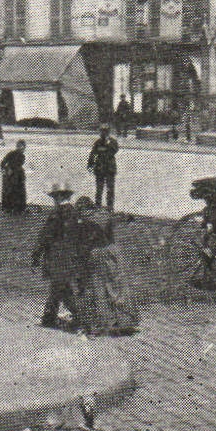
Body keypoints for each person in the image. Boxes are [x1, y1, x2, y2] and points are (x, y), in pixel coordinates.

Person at [72, 203, 138, 336]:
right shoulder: (105, 215)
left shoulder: (83, 221)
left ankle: (100, 324)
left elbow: (84, 244)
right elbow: (123, 218)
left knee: (97, 289)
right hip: (113, 254)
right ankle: (126, 322)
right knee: (117, 287)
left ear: (82, 210)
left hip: (96, 255)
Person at [32, 185, 86, 330]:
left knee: (60, 288)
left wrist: (36, 254)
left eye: (55, 198)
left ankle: (79, 317)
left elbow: (45, 236)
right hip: (71, 258)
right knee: (60, 288)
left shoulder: (56, 214)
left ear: (59, 197)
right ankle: (50, 317)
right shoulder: (76, 214)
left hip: (57, 258)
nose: (54, 201)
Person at [87, 124, 119, 210]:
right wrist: (90, 164)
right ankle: (98, 205)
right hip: (100, 168)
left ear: (108, 132)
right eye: (102, 131)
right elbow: (93, 153)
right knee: (99, 189)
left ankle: (110, 206)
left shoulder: (113, 142)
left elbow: (114, 150)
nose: (103, 133)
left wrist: (108, 144)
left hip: (109, 169)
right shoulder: (98, 142)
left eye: (105, 131)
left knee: (110, 189)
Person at [0, 140, 28, 215]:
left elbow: (4, 164)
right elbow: (3, 163)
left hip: (17, 175)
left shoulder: (21, 156)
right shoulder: (13, 154)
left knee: (17, 191)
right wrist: (6, 170)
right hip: (12, 175)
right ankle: (11, 208)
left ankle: (16, 208)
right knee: (12, 190)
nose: (21, 148)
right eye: (20, 146)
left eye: (23, 147)